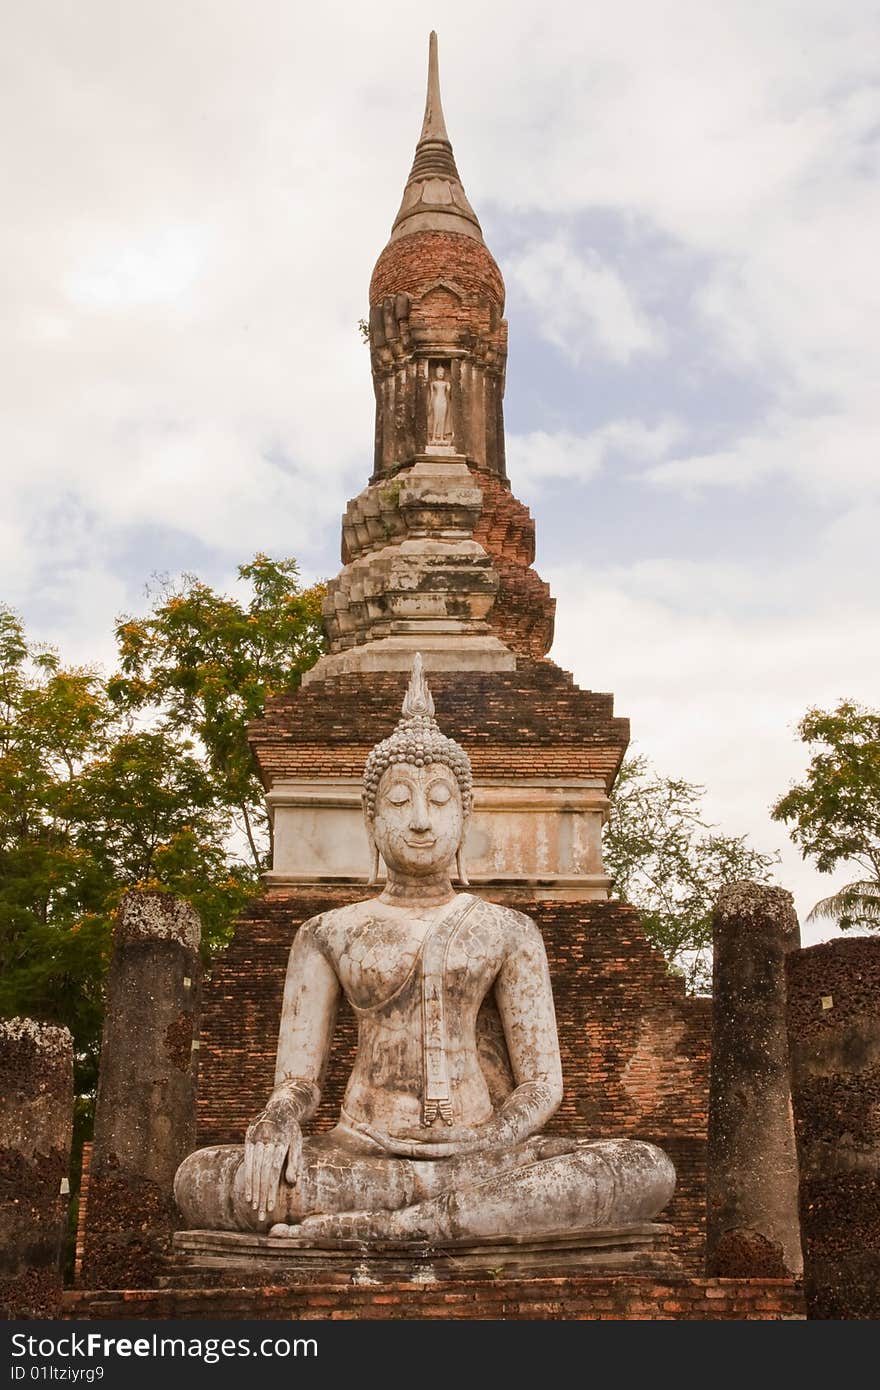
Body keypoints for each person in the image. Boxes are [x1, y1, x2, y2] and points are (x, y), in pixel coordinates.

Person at [174, 657, 675, 1243]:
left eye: (439, 802)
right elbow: (299, 1081)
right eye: (399, 802)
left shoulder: (509, 930)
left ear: (464, 818)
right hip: (361, 1156)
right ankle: (442, 1214)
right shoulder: (326, 932)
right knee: (204, 1180)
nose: (419, 821)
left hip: (485, 1154)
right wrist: (280, 1113)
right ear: (371, 820)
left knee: (642, 1167)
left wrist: (491, 1141)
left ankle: (402, 1227)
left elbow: (542, 1086)